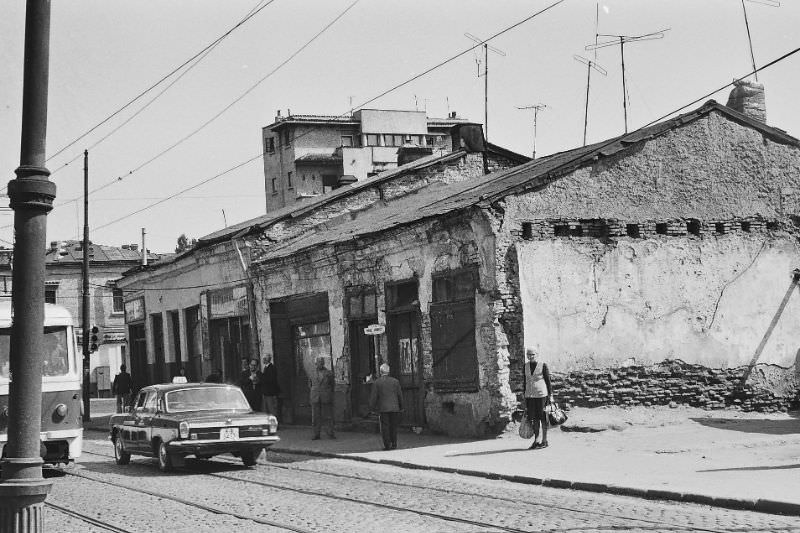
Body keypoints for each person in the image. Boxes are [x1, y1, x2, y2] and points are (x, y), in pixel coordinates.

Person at [524, 348, 553, 450]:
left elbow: (548, 381)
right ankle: (536, 440)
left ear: (537, 354)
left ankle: (544, 440)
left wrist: (550, 396)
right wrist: (524, 395)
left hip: (541, 396)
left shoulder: (542, 365)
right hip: (530, 396)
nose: (530, 356)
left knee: (543, 418)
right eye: (528, 354)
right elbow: (525, 382)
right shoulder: (525, 366)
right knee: (534, 418)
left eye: (532, 354)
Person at [369, 363, 403, 450]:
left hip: (383, 408)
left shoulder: (377, 382)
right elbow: (400, 395)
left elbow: (374, 397)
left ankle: (387, 445)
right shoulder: (395, 381)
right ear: (389, 371)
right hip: (394, 407)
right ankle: (394, 443)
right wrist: (401, 406)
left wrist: (372, 408)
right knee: (393, 426)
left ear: (380, 372)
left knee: (385, 427)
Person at [309, 356, 335, 440]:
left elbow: (332, 384)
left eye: (321, 362)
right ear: (316, 363)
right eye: (318, 362)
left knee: (327, 416)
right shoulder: (312, 373)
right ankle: (316, 434)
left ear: (323, 364)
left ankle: (330, 433)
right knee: (315, 417)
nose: (319, 364)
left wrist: (329, 393)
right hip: (315, 396)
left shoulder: (329, 373)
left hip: (325, 396)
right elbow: (309, 384)